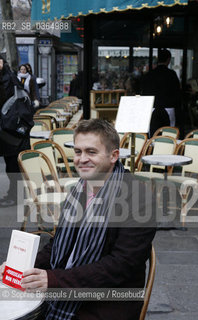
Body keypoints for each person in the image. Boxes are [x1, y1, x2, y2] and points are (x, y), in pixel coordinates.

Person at [0, 119, 156, 319]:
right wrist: (20, 266)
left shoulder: (139, 197)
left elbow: (121, 265)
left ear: (113, 156)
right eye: (78, 151)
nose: (82, 159)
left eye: (91, 152)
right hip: (68, 284)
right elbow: (57, 245)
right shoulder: (79, 189)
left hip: (108, 301)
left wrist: (54, 279)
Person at [0, 56, 31, 206]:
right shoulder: (10, 77)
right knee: (11, 163)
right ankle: (14, 194)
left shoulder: (8, 78)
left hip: (13, 130)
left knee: (13, 164)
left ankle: (15, 196)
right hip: (13, 129)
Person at [142, 49, 181, 136]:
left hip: (152, 107)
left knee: (152, 135)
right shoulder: (171, 74)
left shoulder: (149, 75)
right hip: (168, 108)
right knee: (169, 134)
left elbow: (144, 92)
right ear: (168, 60)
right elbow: (177, 93)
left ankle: (152, 149)